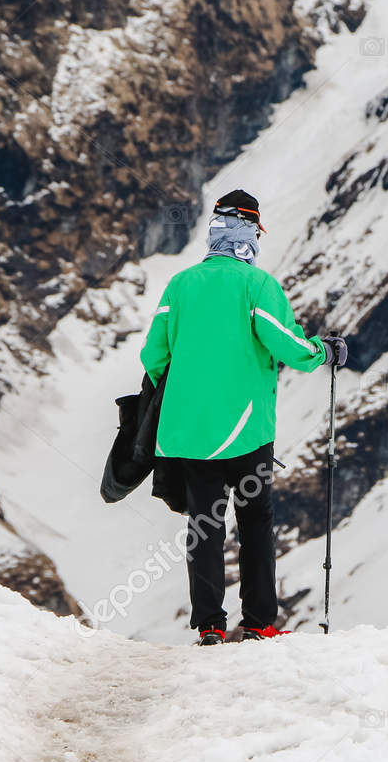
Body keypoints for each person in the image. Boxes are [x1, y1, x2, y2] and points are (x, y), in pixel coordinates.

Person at [140, 189, 348, 645]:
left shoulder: (180, 285)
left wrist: (185, 391)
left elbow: (153, 355)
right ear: (250, 232)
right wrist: (325, 351)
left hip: (190, 434)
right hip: (247, 431)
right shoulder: (257, 286)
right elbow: (288, 346)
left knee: (204, 525)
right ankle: (258, 623)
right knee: (254, 521)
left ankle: (210, 627)